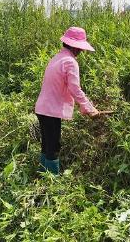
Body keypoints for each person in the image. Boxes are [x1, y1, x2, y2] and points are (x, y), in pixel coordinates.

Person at [35, 27, 99, 175]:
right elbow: (74, 88)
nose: (81, 52)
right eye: (80, 48)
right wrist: (88, 107)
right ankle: (51, 181)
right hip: (50, 110)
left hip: (42, 108)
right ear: (75, 47)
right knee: (53, 146)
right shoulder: (70, 62)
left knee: (47, 145)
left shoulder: (57, 58)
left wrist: (86, 107)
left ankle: (41, 174)